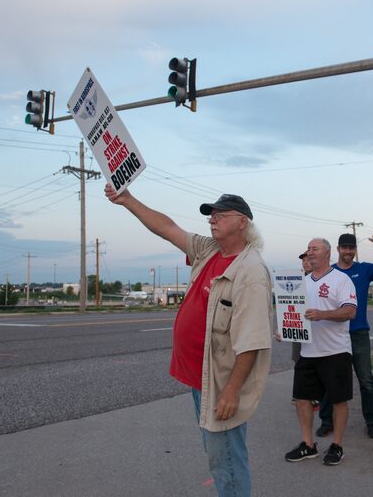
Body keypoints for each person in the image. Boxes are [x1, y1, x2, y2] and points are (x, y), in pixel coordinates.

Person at [106, 186, 272, 497]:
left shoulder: (251, 271)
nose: (213, 219)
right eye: (211, 215)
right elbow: (167, 228)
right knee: (218, 454)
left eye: (221, 215)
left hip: (222, 383)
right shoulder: (209, 250)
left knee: (228, 462)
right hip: (201, 378)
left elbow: (252, 341)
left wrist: (232, 391)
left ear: (243, 223)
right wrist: (127, 200)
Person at [316, 233, 373, 440]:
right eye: (344, 248)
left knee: (366, 379)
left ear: (355, 250)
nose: (348, 251)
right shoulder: (329, 272)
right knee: (330, 379)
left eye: (351, 248)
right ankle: (327, 421)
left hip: (358, 332)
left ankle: (372, 422)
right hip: (333, 334)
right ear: (338, 249)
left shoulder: (364, 269)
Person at [285, 238, 357, 467]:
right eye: (308, 249)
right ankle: (308, 444)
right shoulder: (302, 282)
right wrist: (286, 330)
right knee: (302, 398)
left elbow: (350, 311)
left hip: (335, 350)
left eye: (314, 249)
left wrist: (322, 314)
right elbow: (292, 311)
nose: (309, 253)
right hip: (308, 351)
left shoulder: (341, 280)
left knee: (338, 399)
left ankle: (337, 445)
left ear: (327, 253)